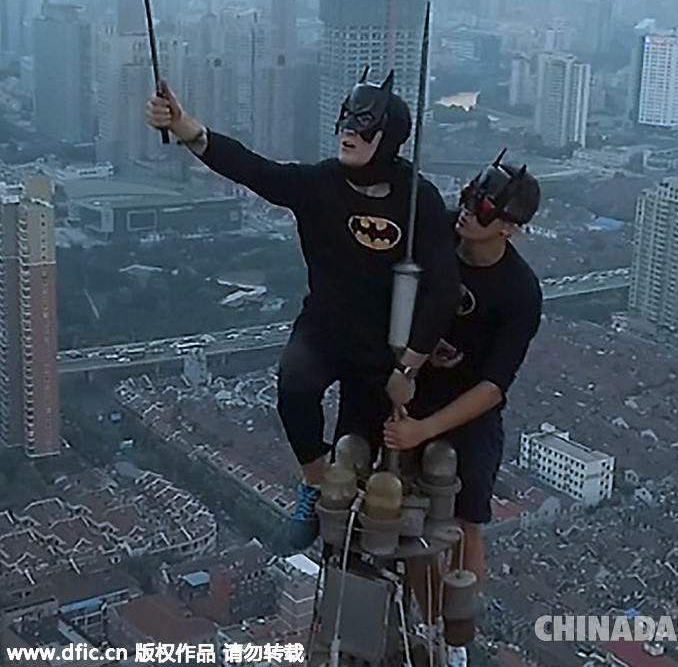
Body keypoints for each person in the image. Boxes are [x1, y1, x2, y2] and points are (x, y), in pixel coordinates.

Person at [147, 70, 460, 547]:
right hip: (324, 330)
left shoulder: (419, 201)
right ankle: (315, 484)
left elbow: (443, 289)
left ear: (389, 137)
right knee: (294, 388)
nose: (348, 133)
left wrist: (410, 365)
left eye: (363, 126)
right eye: (345, 123)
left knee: (356, 452)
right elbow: (255, 170)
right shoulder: (320, 185)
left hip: (383, 350)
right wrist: (187, 127)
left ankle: (347, 526)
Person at [384, 152, 542, 665]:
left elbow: (494, 386)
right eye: (470, 197)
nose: (468, 211)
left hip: (467, 413)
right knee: (401, 514)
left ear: (511, 229)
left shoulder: (519, 291)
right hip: (409, 391)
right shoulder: (437, 246)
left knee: (466, 522)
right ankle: (421, 620)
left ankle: (456, 637)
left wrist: (426, 429)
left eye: (484, 207)